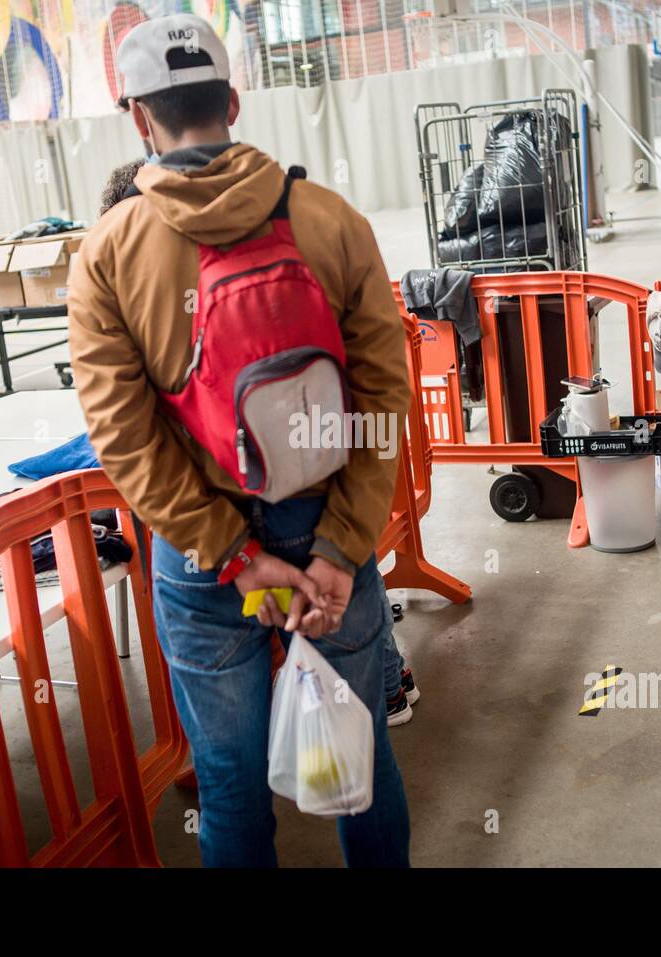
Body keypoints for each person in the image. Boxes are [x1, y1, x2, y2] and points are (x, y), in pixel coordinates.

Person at [67, 14, 411, 866]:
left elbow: (123, 433)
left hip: (203, 557)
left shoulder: (108, 251)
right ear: (232, 99)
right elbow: (382, 399)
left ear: (139, 118)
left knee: (227, 779)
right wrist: (338, 547)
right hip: (326, 524)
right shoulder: (330, 218)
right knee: (355, 754)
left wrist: (232, 554)